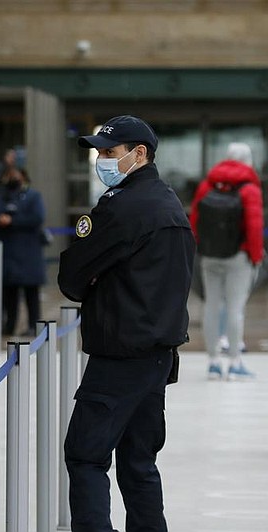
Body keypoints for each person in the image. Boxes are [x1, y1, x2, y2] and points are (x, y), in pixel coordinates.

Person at [58, 115, 194, 532]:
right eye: (99, 151)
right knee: (138, 462)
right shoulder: (170, 205)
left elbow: (71, 277)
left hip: (118, 356)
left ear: (140, 154)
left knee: (85, 455)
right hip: (157, 357)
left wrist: (96, 277)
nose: (101, 159)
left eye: (110, 152)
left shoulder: (121, 209)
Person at [189, 141, 263, 380]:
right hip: (238, 256)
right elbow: (254, 226)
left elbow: (195, 221)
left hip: (210, 256)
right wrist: (255, 255)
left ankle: (213, 362)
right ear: (248, 160)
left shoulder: (207, 185)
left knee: (211, 305)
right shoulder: (249, 188)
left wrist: (197, 250)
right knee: (235, 308)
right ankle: (234, 362)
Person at [0, 166, 46, 336]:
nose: (12, 178)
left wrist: (13, 220)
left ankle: (34, 326)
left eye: (15, 175)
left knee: (31, 294)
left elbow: (37, 218)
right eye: (8, 175)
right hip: (7, 255)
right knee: (9, 295)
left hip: (28, 254)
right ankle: (8, 327)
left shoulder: (33, 196)